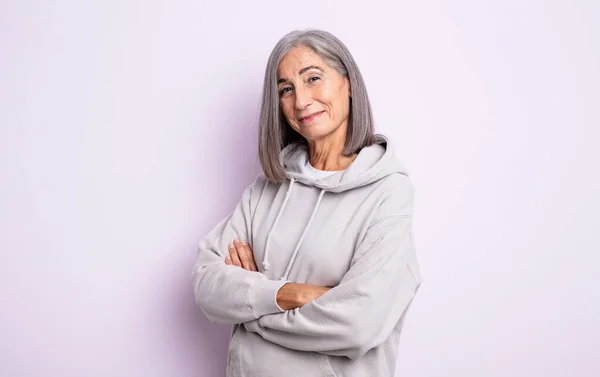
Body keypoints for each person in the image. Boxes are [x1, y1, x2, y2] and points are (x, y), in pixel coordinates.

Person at [192, 28, 421, 377]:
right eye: (286, 89)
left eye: (313, 78)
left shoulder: (387, 194)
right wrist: (290, 294)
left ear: (348, 83)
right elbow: (207, 284)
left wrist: (251, 308)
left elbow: (358, 323)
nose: (300, 101)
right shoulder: (267, 189)